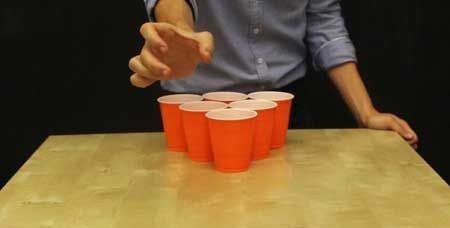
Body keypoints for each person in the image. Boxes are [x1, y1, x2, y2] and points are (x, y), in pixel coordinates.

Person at [129, 0, 418, 146]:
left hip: (286, 109)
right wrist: (181, 33)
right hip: (198, 111)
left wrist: (366, 113)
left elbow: (324, 22)